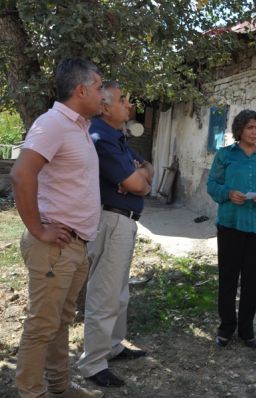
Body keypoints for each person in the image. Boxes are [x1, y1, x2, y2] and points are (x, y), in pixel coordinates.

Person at [10, 58, 104, 398]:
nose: (102, 95)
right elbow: (21, 174)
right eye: (98, 87)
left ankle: (60, 387)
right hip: (54, 245)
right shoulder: (52, 123)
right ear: (80, 90)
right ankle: (31, 392)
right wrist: (38, 230)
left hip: (75, 245)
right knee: (42, 325)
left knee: (61, 321)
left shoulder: (78, 127)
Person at [77, 81, 153, 387]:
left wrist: (139, 177)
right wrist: (140, 181)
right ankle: (93, 364)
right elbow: (139, 184)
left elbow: (145, 169)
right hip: (111, 220)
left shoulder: (115, 137)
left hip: (125, 220)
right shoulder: (100, 137)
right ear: (105, 107)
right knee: (104, 294)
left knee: (119, 292)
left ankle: (112, 346)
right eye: (123, 100)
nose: (129, 106)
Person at [207, 109, 256, 349]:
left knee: (252, 279)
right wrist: (228, 194)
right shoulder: (225, 155)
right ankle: (226, 327)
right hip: (230, 224)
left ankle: (247, 330)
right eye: (249, 127)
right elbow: (212, 184)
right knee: (228, 278)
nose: (254, 132)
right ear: (239, 130)